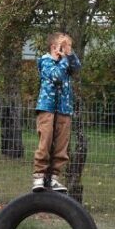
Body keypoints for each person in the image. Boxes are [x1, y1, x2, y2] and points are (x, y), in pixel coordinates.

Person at [32, 33, 82, 192]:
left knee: (62, 144)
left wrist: (69, 54)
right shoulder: (46, 61)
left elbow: (77, 67)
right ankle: (39, 176)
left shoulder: (66, 62)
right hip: (47, 107)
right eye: (63, 46)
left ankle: (54, 177)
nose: (67, 50)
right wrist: (64, 60)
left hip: (64, 109)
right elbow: (56, 76)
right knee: (45, 141)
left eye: (68, 47)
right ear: (54, 47)